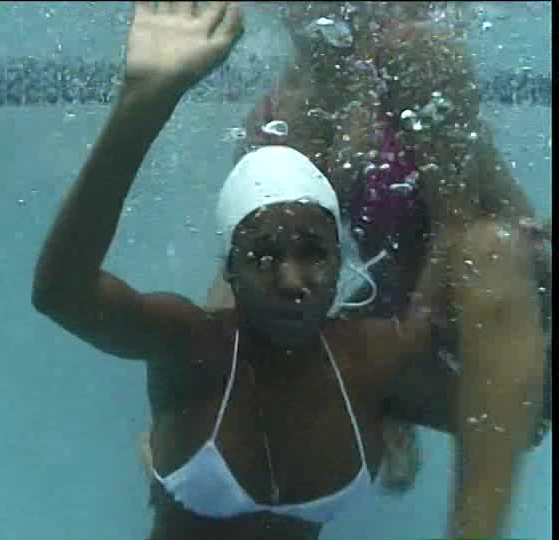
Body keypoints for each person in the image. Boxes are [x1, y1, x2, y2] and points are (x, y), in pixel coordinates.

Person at [32, 3, 547, 539]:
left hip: (457, 308)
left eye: (314, 256)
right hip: (363, 334)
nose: (292, 280)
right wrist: (144, 102)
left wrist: (398, 387)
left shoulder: (372, 361)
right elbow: (65, 293)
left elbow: (463, 240)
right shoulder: (198, 344)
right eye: (263, 259)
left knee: (491, 255)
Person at [205, 2, 552, 534]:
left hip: (520, 309)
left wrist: (390, 351)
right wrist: (198, 390)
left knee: (488, 251)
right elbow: (244, 267)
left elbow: (456, 225)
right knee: (269, 352)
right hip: (424, 320)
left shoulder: (417, 54)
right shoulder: (277, 115)